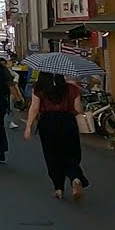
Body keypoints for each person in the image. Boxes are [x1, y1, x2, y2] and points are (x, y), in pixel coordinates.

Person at [24, 72, 91, 200]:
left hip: (47, 122)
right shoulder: (72, 88)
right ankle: (75, 177)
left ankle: (58, 188)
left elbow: (34, 107)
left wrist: (28, 126)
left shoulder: (39, 88)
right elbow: (78, 109)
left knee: (52, 154)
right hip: (68, 121)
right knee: (71, 152)